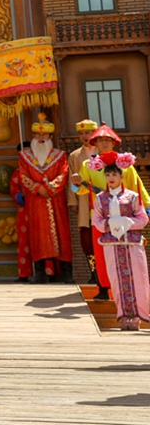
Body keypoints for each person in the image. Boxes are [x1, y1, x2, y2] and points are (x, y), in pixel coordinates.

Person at [74, 123, 150, 301]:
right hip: (101, 216)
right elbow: (81, 189)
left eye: (108, 140)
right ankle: (103, 288)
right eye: (100, 140)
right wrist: (76, 182)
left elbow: (137, 186)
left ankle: (129, 289)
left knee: (127, 251)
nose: (104, 143)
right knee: (101, 254)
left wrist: (146, 206)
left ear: (114, 142)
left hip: (124, 214)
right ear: (95, 143)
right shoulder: (89, 164)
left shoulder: (125, 164)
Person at [88, 151, 149, 330]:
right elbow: (97, 220)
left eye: (114, 174)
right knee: (117, 279)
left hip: (132, 243)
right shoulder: (100, 198)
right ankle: (123, 315)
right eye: (108, 175)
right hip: (112, 244)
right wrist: (110, 224)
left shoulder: (132, 196)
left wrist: (126, 222)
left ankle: (137, 316)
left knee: (137, 278)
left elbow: (143, 219)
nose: (111, 178)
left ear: (122, 176)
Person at [19, 115, 72, 283]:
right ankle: (40, 272)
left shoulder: (60, 156)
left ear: (50, 136)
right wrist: (37, 188)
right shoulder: (25, 157)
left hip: (55, 199)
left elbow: (63, 174)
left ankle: (67, 273)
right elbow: (23, 176)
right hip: (36, 201)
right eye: (37, 135)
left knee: (61, 233)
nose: (40, 138)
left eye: (44, 135)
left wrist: (49, 188)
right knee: (38, 234)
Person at [68, 120, 99, 284]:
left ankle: (104, 272)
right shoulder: (75, 156)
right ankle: (93, 272)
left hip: (100, 199)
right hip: (84, 200)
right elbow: (71, 179)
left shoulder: (103, 151)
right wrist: (73, 201)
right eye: (81, 133)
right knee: (87, 239)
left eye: (87, 132)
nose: (84, 136)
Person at [11, 141, 34, 282]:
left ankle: (48, 272)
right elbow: (14, 191)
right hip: (24, 211)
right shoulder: (17, 173)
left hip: (39, 208)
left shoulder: (38, 170)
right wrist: (21, 196)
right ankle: (24, 274)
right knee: (24, 242)